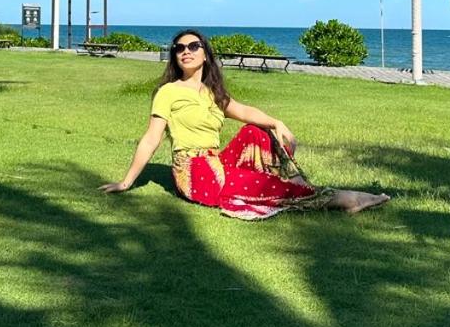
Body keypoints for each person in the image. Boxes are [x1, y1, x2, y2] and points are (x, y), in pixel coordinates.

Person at [100, 29, 390, 219]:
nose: (185, 51)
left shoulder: (212, 93)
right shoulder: (169, 92)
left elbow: (244, 110)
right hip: (193, 170)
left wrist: (277, 122)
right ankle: (345, 199)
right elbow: (151, 138)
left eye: (193, 46)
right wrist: (126, 182)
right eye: (179, 48)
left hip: (215, 162)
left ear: (205, 54)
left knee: (255, 130)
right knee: (269, 188)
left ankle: (300, 184)